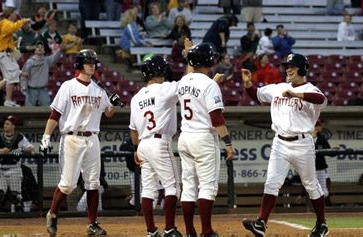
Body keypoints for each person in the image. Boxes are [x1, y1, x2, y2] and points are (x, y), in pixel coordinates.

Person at [241, 53, 328, 237]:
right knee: (271, 183)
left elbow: (322, 100)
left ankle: (321, 224)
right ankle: (261, 223)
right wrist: (248, 84)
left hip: (302, 143)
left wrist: (296, 94)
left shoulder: (311, 89)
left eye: (292, 66)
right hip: (279, 142)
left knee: (311, 185)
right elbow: (257, 95)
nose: (288, 69)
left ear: (302, 69)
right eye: (286, 66)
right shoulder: (279, 87)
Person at [39, 49, 120, 236]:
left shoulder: (99, 89)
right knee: (68, 184)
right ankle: (52, 213)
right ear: (79, 64)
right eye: (88, 62)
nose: (92, 65)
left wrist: (113, 104)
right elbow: (55, 114)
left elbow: (107, 114)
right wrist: (46, 137)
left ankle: (92, 223)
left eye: (93, 62)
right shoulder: (68, 86)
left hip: (92, 138)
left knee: (93, 183)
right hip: (72, 138)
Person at [177, 42, 235, 237]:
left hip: (185, 137)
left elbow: (193, 83)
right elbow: (216, 117)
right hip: (203, 138)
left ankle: (190, 231)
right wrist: (228, 142)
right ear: (209, 61)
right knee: (207, 186)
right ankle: (207, 231)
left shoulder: (183, 81)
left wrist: (189, 55)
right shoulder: (209, 84)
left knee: (189, 186)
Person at [130, 55, 183, 236]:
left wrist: (136, 149)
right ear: (159, 70)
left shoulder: (136, 97)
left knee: (149, 189)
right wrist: (188, 55)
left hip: (143, 144)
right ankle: (169, 228)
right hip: (159, 142)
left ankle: (151, 231)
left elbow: (133, 129)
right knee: (173, 187)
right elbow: (187, 82)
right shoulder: (164, 88)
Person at [0, 115, 34, 212]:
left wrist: (14, 151)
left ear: (13, 126)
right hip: (1, 169)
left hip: (14, 169)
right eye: (5, 123)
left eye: (7, 123)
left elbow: (31, 148)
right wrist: (1, 152)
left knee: (16, 197)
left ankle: (17, 223)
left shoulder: (19, 136)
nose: (5, 125)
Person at [0, 7, 30, 107]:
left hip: (4, 53)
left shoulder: (3, 23)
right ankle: (7, 100)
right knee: (14, 71)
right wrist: (24, 21)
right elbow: (13, 27)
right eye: (14, 12)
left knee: (8, 77)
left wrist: (14, 45)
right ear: (10, 14)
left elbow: (5, 40)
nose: (16, 14)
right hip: (3, 54)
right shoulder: (6, 22)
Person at [296, 120, 332, 205]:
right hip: (309, 167)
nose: (319, 128)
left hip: (320, 167)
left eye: (319, 126)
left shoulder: (322, 139)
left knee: (324, 192)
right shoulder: (307, 138)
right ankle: (315, 207)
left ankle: (325, 207)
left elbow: (329, 151)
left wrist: (334, 151)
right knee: (310, 187)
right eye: (317, 126)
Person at [20, 40, 62, 106]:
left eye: (41, 47)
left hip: (43, 90)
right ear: (35, 50)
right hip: (31, 90)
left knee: (47, 108)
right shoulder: (29, 61)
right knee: (28, 110)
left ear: (44, 51)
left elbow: (56, 56)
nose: (39, 48)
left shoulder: (47, 60)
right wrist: (23, 86)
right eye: (38, 47)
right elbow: (24, 74)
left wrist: (55, 47)